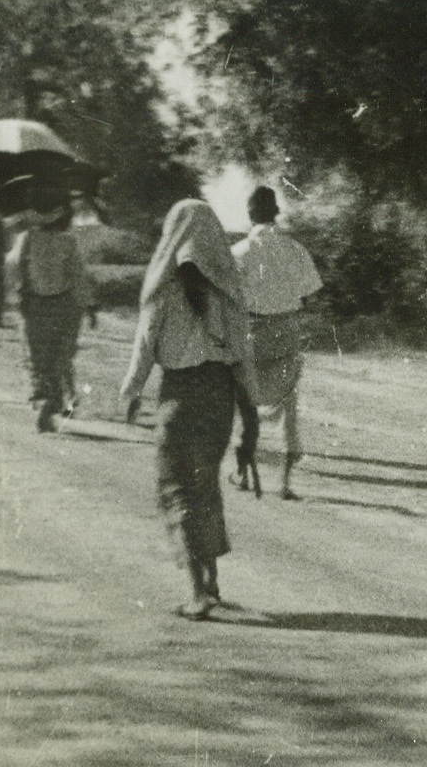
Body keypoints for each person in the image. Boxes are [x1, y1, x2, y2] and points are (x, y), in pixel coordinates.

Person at [120, 199, 256, 620]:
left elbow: (144, 347)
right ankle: (211, 581)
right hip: (219, 397)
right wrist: (250, 411)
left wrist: (132, 392)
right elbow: (243, 357)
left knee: (176, 488)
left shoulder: (162, 288)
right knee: (205, 485)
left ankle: (198, 592)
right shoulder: (229, 292)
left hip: (178, 396)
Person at [230, 186, 323, 501]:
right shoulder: (295, 250)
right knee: (288, 401)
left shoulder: (239, 252)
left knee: (244, 401)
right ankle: (285, 483)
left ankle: (243, 473)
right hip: (285, 327)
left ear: (250, 214)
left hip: (249, 330)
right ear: (276, 213)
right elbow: (310, 295)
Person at [7, 198, 92, 433]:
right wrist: (89, 306)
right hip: (63, 305)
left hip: (34, 304)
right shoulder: (68, 241)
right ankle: (52, 403)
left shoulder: (27, 238)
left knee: (37, 357)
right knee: (58, 356)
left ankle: (44, 399)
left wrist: (20, 288)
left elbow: (12, 267)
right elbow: (78, 277)